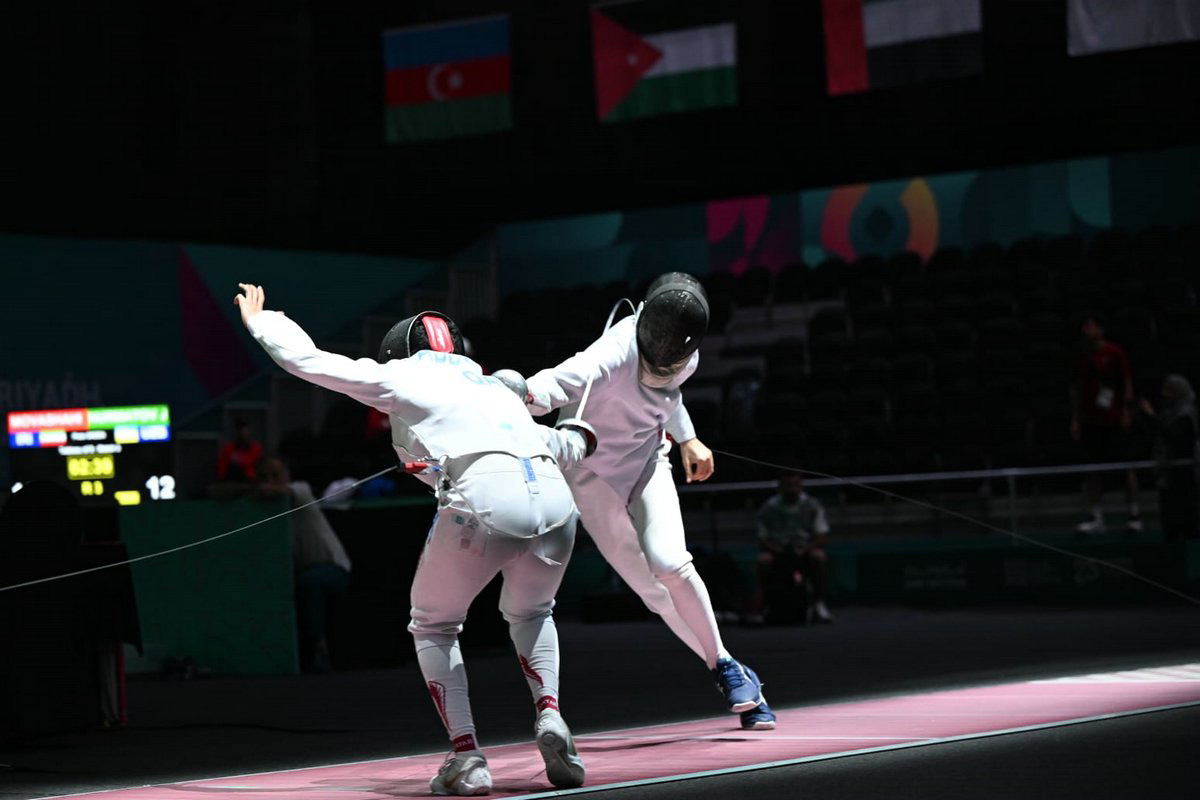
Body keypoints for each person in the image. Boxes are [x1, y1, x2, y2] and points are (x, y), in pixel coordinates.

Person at [235, 284, 595, 795]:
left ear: (401, 353)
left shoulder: (403, 376)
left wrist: (263, 321)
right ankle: (551, 713)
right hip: (557, 504)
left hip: (486, 502)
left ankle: (467, 758)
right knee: (533, 613)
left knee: (434, 624)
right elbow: (563, 443)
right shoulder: (494, 388)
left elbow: (307, 360)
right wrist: (583, 434)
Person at [524, 272, 775, 731]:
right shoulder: (612, 351)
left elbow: (668, 397)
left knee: (670, 564)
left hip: (647, 461)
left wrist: (688, 438)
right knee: (654, 593)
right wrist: (512, 393)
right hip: (592, 478)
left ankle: (725, 667)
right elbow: (554, 385)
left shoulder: (688, 356)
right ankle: (730, 666)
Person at [258, 455, 352, 673]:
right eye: (264, 477)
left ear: (286, 475)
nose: (270, 481)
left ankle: (320, 650)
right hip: (304, 571)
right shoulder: (269, 511)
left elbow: (272, 491)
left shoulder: (301, 490)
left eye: (275, 475)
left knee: (310, 582)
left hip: (334, 569)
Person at [1070, 312, 1141, 533]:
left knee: (1125, 468)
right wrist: (1076, 418)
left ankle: (1134, 515)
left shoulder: (1114, 352)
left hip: (1114, 420)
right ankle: (1097, 518)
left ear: (1101, 330)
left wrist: (1127, 411)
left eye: (1090, 325)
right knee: (1093, 470)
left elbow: (1127, 381)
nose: (1086, 329)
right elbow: (1077, 388)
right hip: (1091, 421)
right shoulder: (1082, 356)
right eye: (1084, 325)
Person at [749, 473, 833, 624]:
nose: (791, 489)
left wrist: (806, 549)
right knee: (763, 560)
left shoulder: (812, 505)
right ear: (780, 487)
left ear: (800, 486)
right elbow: (762, 538)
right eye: (788, 486)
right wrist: (777, 550)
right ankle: (764, 605)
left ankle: (819, 604)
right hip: (778, 552)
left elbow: (822, 534)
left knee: (819, 557)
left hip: (804, 551)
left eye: (795, 485)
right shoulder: (769, 507)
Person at [1138, 374, 1200, 541]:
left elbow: (1175, 435)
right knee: (1170, 523)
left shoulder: (1186, 414)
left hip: (1184, 475)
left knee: (1187, 522)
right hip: (1168, 475)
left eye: (1169, 390)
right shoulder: (1168, 412)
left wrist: (1151, 415)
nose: (1164, 394)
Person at [217, 418, 263, 482]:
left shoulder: (257, 448)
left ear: (250, 431)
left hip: (251, 482)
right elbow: (221, 470)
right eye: (241, 429)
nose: (243, 432)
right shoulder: (228, 448)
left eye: (246, 429)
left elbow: (253, 465)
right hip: (231, 481)